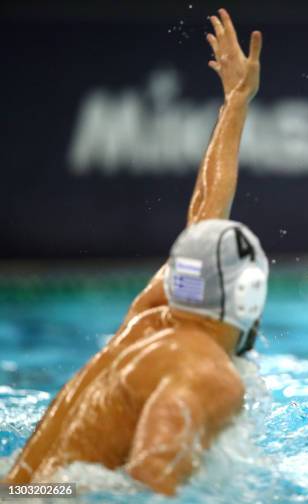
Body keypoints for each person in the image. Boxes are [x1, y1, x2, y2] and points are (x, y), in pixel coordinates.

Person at [3, 9, 265, 495]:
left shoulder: (148, 318)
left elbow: (202, 223)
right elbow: (148, 481)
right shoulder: (207, 373)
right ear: (248, 297)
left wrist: (236, 102)